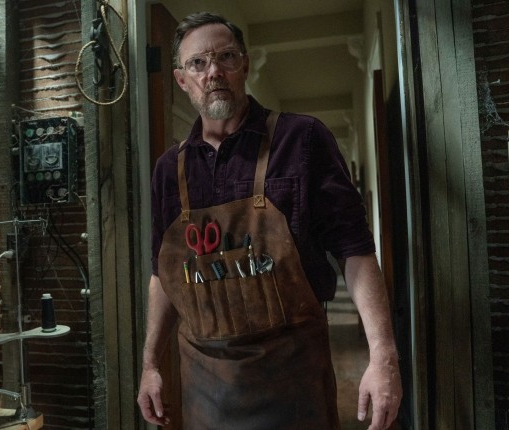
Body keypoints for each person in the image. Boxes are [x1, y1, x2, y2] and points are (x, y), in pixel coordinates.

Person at [137, 11, 402, 430]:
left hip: (294, 385)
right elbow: (162, 274)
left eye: (225, 57)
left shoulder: (302, 140)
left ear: (244, 64)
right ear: (181, 79)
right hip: (206, 392)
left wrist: (382, 355)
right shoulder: (169, 170)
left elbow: (355, 251)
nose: (213, 72)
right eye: (198, 63)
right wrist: (150, 363)